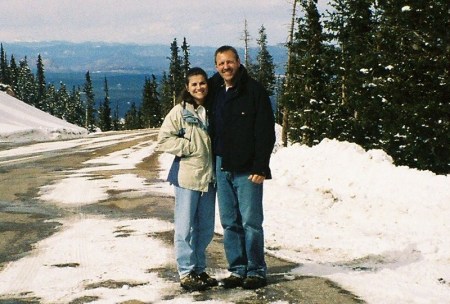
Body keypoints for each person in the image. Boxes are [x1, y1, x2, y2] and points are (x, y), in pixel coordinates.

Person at [208, 46, 276, 290]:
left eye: (229, 62)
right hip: (221, 164)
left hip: (248, 168)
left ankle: (256, 270)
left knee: (251, 222)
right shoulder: (215, 90)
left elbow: (266, 132)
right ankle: (237, 269)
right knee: (229, 222)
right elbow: (195, 91)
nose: (226, 67)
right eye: (221, 63)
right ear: (216, 67)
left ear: (238, 62)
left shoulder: (254, 91)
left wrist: (261, 165)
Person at [156, 67, 217, 292]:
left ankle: (199, 269)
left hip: (209, 178)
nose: (199, 87)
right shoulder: (179, 112)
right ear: (187, 88)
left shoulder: (211, 110)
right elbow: (162, 140)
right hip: (187, 177)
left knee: (206, 228)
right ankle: (186, 271)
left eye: (202, 83)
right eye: (194, 84)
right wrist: (188, 147)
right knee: (184, 228)